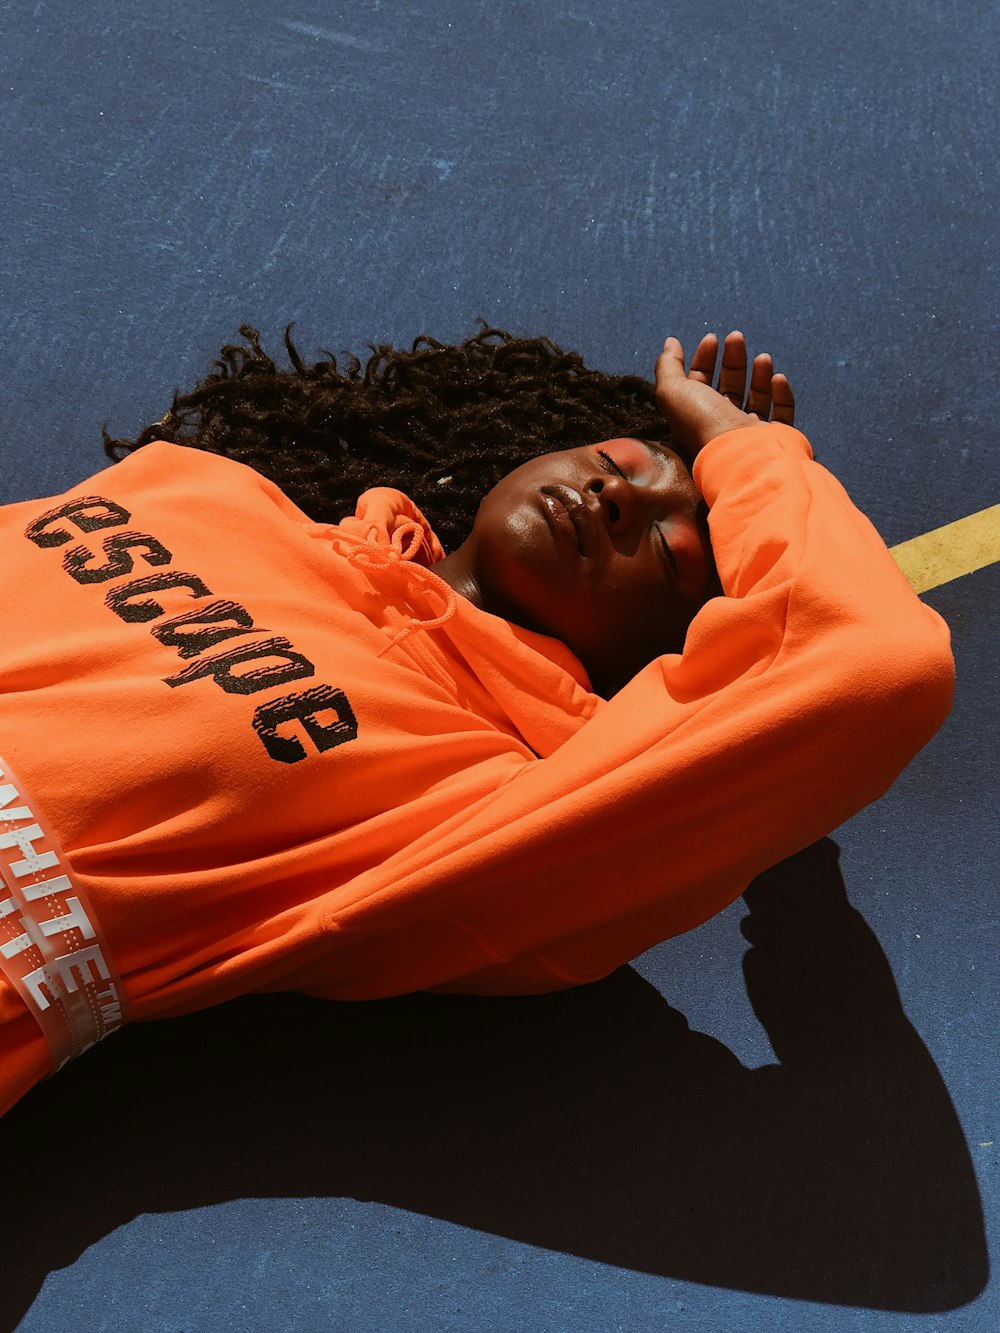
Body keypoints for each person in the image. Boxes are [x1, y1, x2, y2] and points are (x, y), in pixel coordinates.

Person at [0, 327, 953, 1116]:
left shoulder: (492, 797)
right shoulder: (203, 489)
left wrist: (747, 454)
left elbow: (876, 662)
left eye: (671, 549)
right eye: (623, 459)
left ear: (670, 659)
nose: (620, 493)